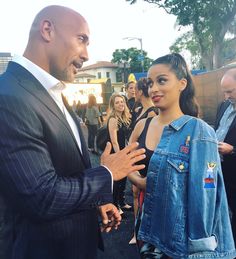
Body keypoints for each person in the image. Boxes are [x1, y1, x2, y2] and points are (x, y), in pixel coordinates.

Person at [0, 5, 146, 259]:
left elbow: (66, 170)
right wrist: (108, 173)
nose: (87, 55)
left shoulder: (53, 92)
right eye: (82, 40)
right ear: (47, 30)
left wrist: (94, 203)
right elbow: (40, 195)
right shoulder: (9, 95)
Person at [128, 53, 235, 258]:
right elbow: (127, 162)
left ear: (182, 83)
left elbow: (207, 191)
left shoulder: (198, 132)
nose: (154, 89)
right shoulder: (143, 125)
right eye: (150, 83)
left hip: (180, 240)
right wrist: (138, 180)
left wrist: (201, 250)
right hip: (146, 227)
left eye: (162, 80)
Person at [129, 77, 158, 245]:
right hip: (138, 160)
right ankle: (137, 231)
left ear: (140, 91)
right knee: (136, 197)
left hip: (146, 161)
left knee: (146, 201)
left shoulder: (153, 113)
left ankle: (142, 232)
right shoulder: (139, 109)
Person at [215, 68, 236, 243]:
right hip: (218, 170)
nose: (226, 96)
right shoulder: (223, 106)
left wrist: (233, 149)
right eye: (224, 92)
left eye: (230, 91)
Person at [106, 93, 132, 214]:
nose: (120, 104)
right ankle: (115, 205)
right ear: (113, 105)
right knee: (117, 180)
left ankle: (122, 202)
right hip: (116, 152)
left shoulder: (124, 117)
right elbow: (114, 142)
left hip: (123, 151)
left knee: (123, 179)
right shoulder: (113, 119)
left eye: (122, 101)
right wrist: (120, 157)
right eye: (117, 102)